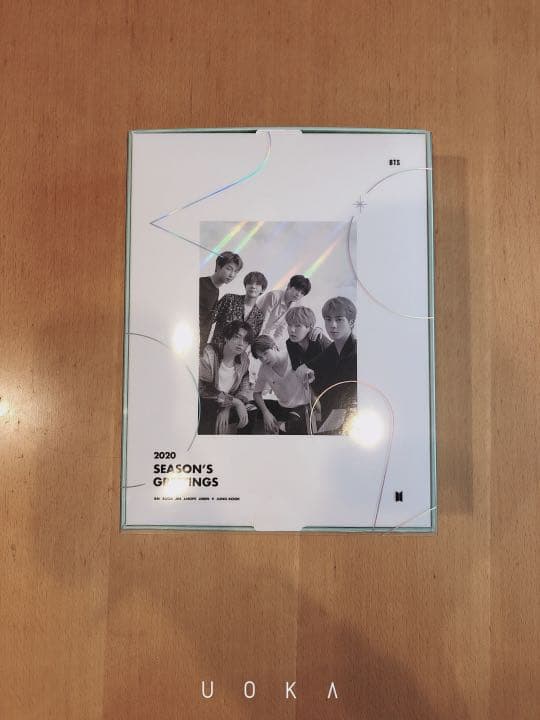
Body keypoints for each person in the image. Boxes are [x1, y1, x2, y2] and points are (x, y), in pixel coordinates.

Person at [299, 297, 357, 426]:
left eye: (339, 319)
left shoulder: (357, 353)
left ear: (351, 322)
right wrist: (312, 394)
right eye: (328, 319)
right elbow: (302, 370)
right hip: (329, 414)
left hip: (349, 418)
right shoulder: (332, 350)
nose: (333, 325)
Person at [198, 320, 254, 434]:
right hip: (207, 401)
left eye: (245, 340)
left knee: (252, 410)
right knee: (209, 408)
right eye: (237, 337)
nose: (241, 343)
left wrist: (228, 406)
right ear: (227, 338)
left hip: (226, 401)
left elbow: (244, 387)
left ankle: (244, 443)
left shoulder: (244, 360)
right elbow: (204, 388)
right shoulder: (209, 352)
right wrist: (235, 402)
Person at [251, 335, 312, 435]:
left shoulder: (292, 355)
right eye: (260, 357)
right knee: (249, 406)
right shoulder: (264, 369)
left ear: (274, 347)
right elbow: (256, 393)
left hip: (303, 406)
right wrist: (266, 413)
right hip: (283, 407)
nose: (264, 359)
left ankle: (282, 428)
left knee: (288, 428)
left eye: (266, 353)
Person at [199, 251, 243, 351]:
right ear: (218, 266)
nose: (232, 275)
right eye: (229, 269)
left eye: (236, 272)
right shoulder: (201, 284)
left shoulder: (216, 290)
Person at [210, 271, 267, 347]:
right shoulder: (229, 299)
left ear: (262, 290)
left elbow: (250, 341)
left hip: (235, 353)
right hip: (214, 348)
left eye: (257, 284)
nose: (253, 286)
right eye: (250, 283)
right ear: (245, 286)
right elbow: (208, 320)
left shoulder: (259, 316)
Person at [256, 274, 312, 345]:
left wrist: (274, 344)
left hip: (265, 336)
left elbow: (281, 330)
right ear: (289, 286)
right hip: (253, 329)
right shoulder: (274, 296)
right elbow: (261, 321)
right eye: (297, 289)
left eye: (302, 293)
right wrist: (259, 341)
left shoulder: (294, 307)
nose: (298, 294)